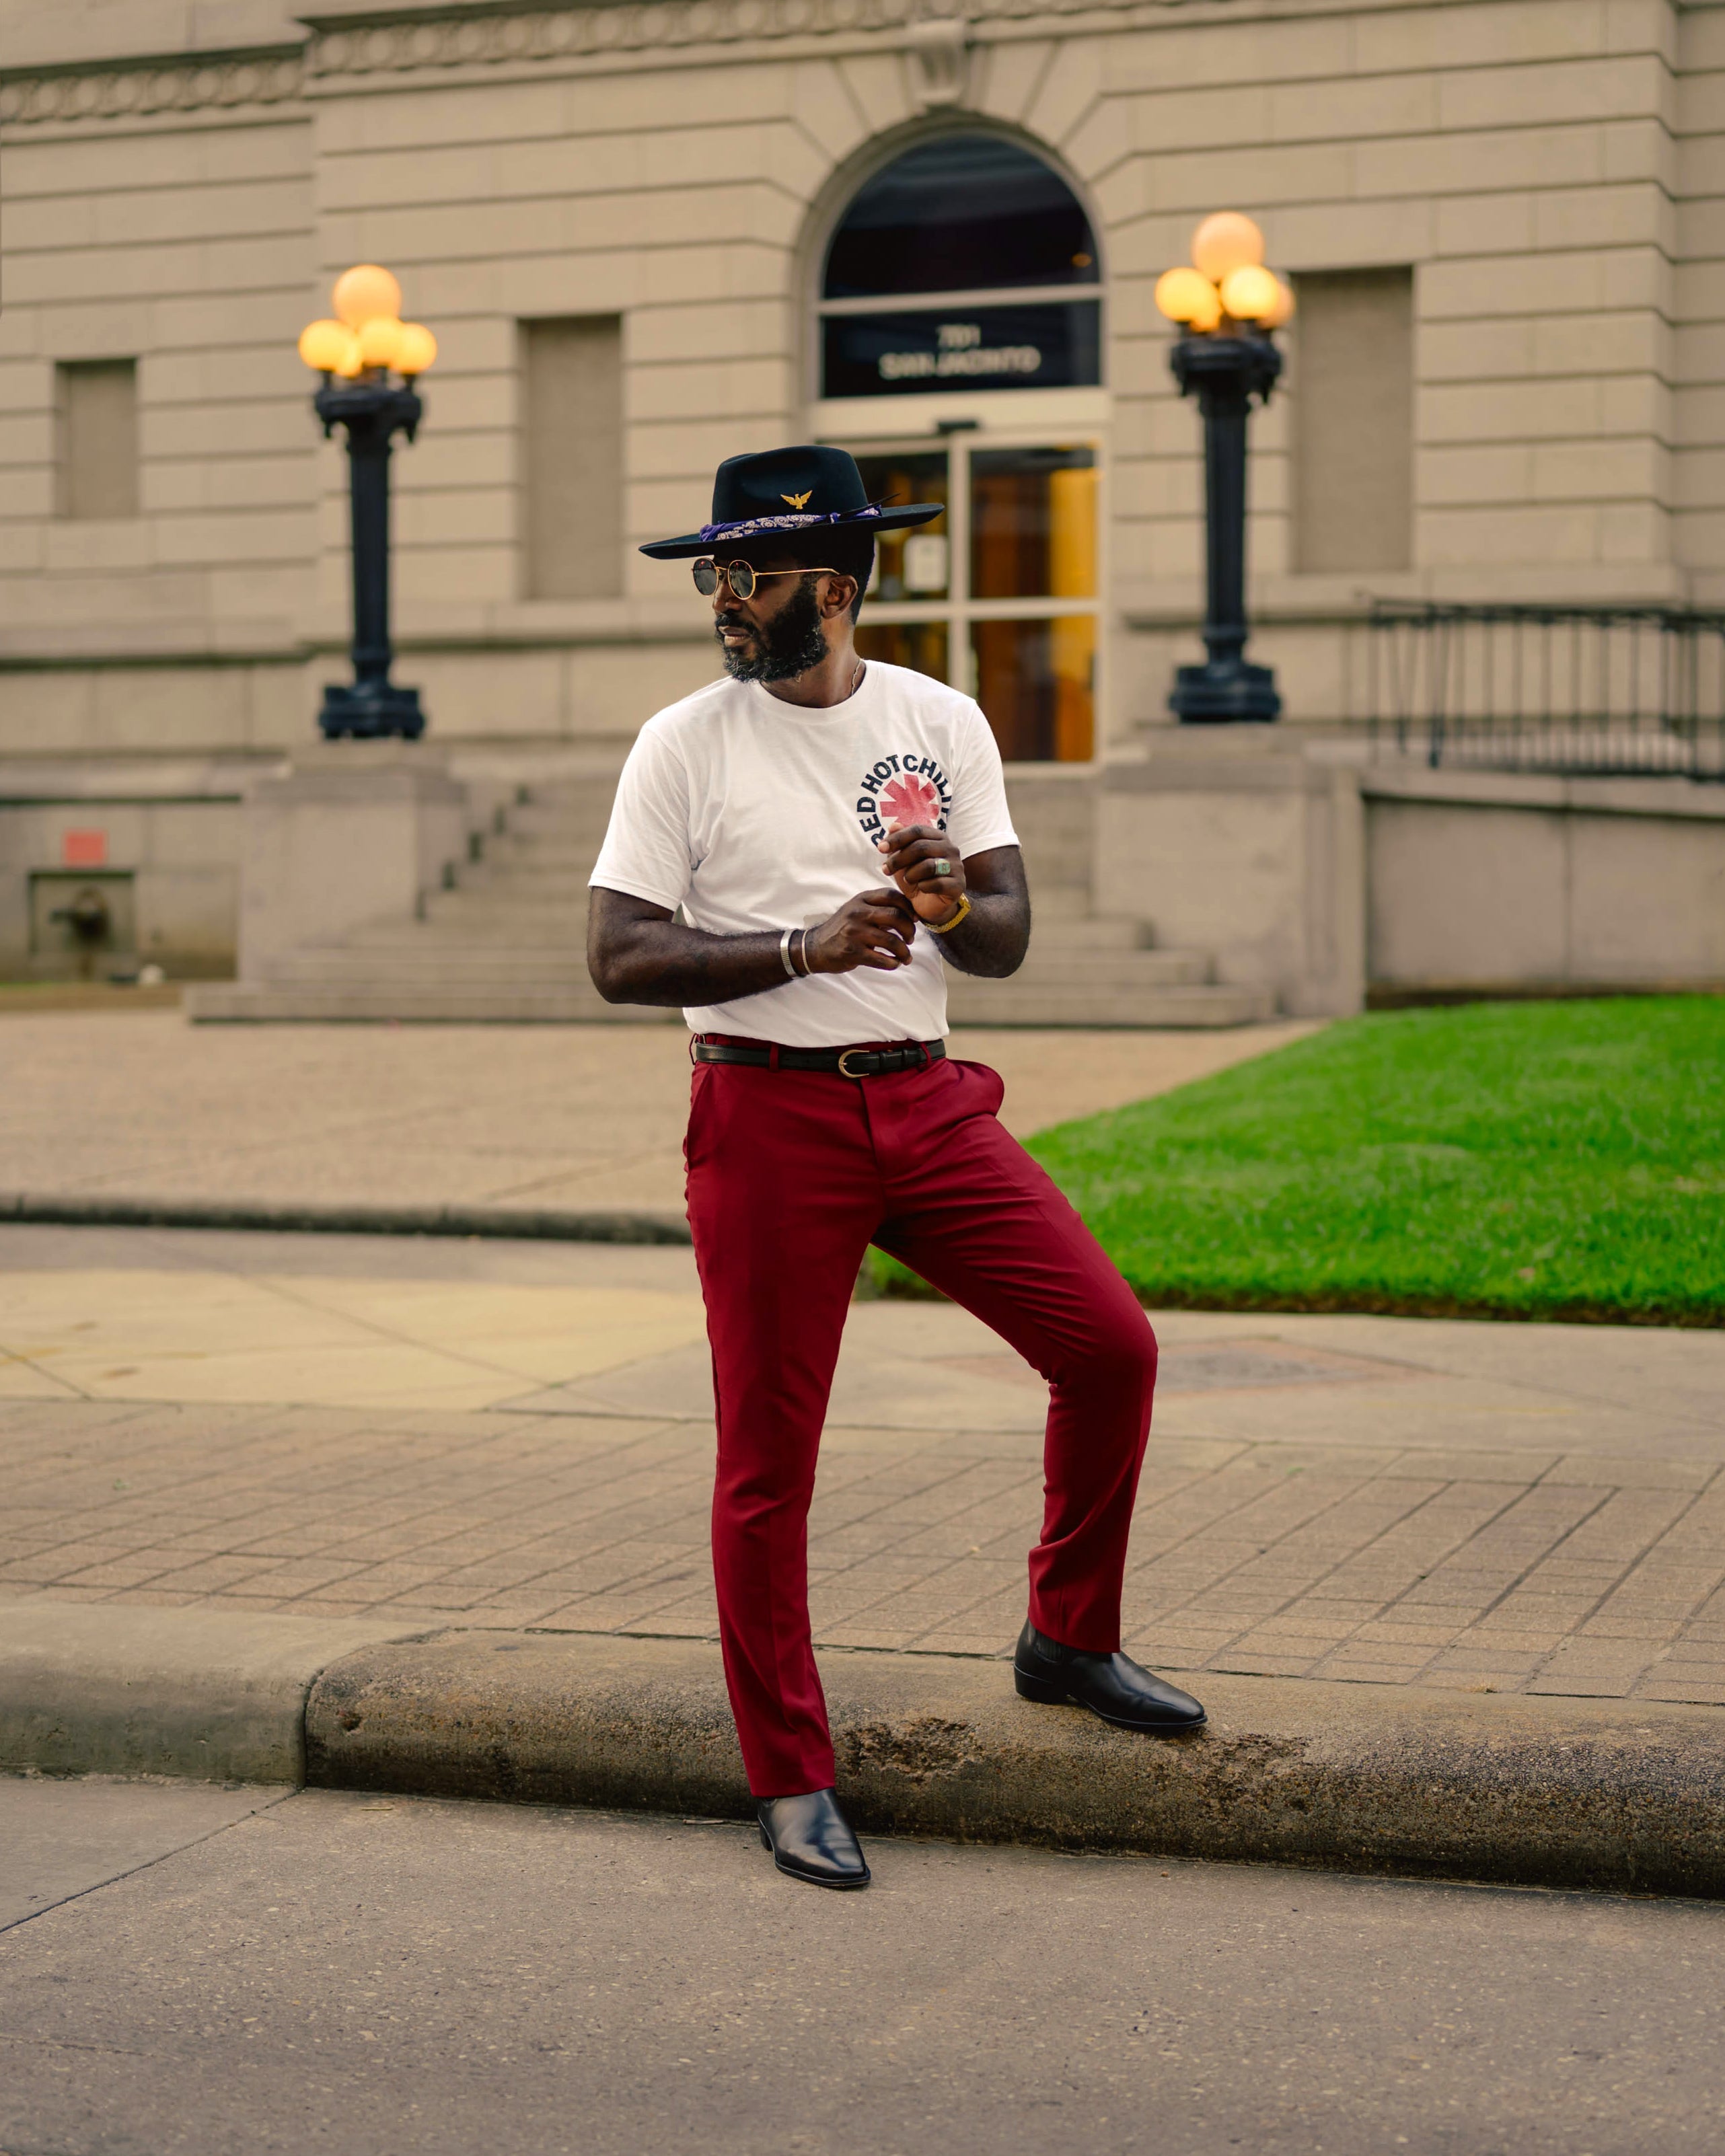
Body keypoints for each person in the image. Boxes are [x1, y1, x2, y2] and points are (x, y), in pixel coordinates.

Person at [587, 445, 1204, 1891]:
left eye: (750, 575)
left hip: (927, 1108)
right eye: (712, 573)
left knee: (1109, 1347)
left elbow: (1002, 935)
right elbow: (618, 953)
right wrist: (795, 946)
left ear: (838, 587)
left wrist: (939, 903)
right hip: (766, 1122)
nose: (723, 600)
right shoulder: (684, 741)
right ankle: (790, 1770)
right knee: (768, 1463)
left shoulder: (940, 718)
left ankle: (1068, 1635)